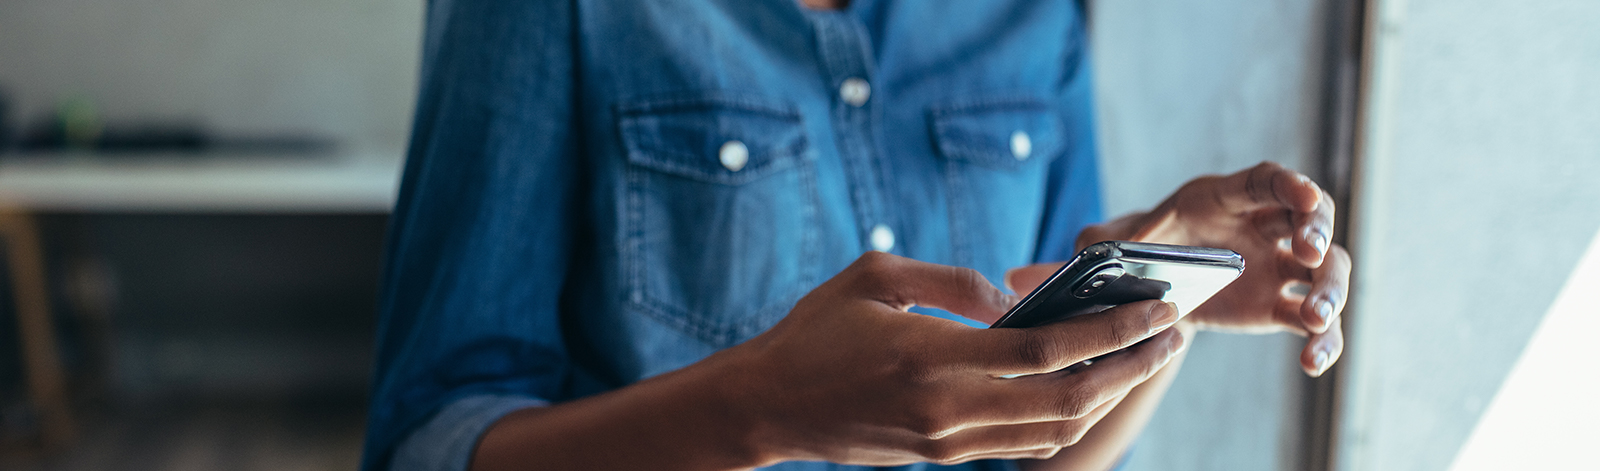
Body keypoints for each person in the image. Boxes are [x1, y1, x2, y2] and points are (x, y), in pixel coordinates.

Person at [362, 1, 1351, 470]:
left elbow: (1047, 449)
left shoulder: (1029, 18)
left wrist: (1155, 298)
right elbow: (428, 444)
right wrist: (758, 410)